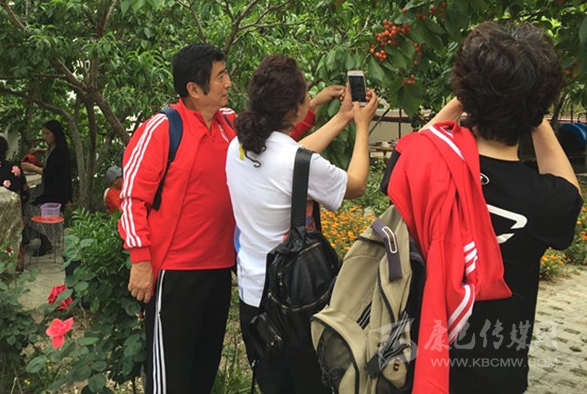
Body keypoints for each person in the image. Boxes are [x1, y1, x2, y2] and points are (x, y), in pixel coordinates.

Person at [382, 22, 582, 393]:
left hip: (414, 358)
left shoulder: (424, 165)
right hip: (497, 370)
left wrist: (465, 97)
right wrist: (534, 113)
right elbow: (570, 192)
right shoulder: (547, 201)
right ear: (541, 105)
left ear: (464, 90)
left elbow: (414, 148)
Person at [226, 55, 378, 394]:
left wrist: (341, 117)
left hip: (253, 297)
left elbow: (295, 155)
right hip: (295, 300)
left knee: (273, 384)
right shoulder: (293, 162)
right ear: (296, 109)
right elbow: (355, 184)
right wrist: (361, 126)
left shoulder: (238, 147)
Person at [118, 43, 237, 394]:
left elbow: (278, 139)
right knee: (170, 380)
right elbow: (132, 197)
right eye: (220, 76)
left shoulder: (230, 126)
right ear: (194, 89)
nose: (229, 83)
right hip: (176, 273)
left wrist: (316, 108)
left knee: (203, 374)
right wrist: (140, 260)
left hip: (219, 271)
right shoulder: (162, 128)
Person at [21, 119, 72, 206]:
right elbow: (51, 155)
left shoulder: (59, 151)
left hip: (56, 192)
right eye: (43, 134)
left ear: (55, 134)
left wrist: (32, 167)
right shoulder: (54, 147)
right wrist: (40, 150)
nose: (44, 137)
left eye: (47, 134)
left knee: (30, 203)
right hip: (53, 188)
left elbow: (49, 172)